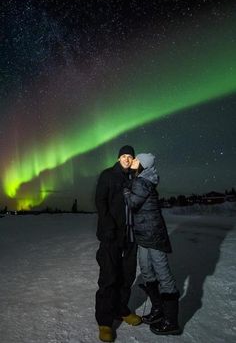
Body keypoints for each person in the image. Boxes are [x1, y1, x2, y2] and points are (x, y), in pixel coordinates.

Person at [123, 153, 181, 335]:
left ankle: (171, 321)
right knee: (147, 272)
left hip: (153, 235)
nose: (132, 161)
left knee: (163, 275)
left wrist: (125, 190)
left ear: (143, 164)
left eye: (136, 160)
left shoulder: (142, 181)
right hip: (144, 235)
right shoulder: (140, 179)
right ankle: (158, 310)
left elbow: (132, 203)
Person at [95, 145, 142, 343]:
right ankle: (105, 321)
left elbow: (145, 194)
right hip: (111, 235)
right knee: (109, 277)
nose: (127, 159)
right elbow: (100, 202)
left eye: (130, 156)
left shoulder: (134, 177)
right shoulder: (108, 175)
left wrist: (139, 172)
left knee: (128, 275)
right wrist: (108, 227)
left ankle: (121, 310)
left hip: (131, 235)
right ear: (118, 158)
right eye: (124, 156)